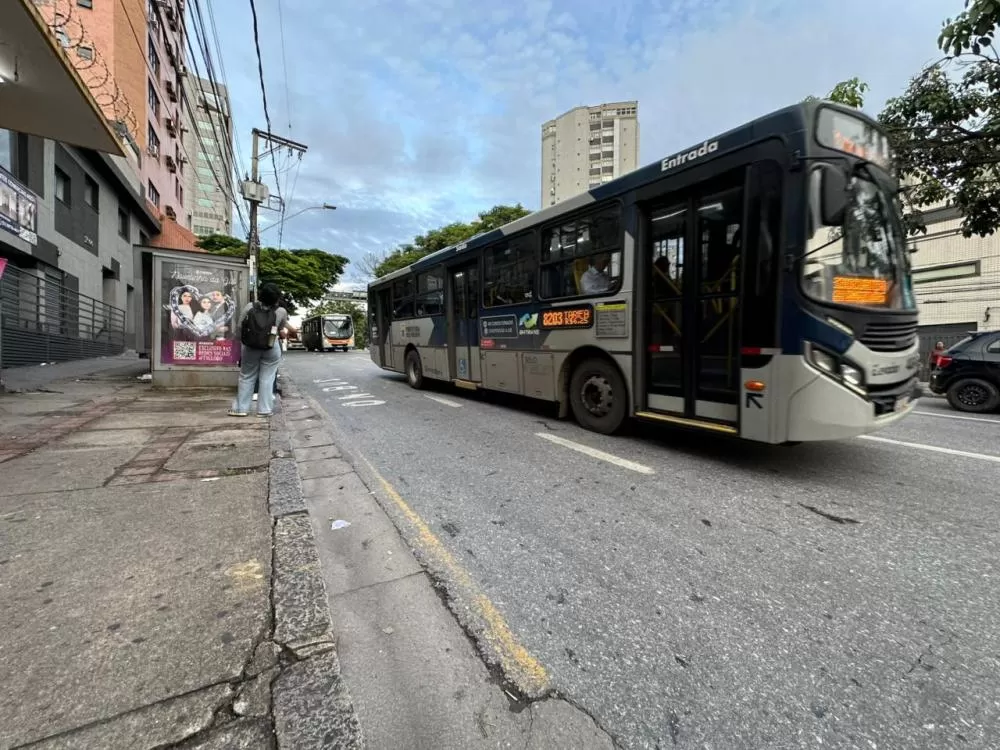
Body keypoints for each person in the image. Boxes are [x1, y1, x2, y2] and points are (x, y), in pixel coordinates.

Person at [229, 283, 296, 417]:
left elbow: (239, 327)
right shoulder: (281, 311)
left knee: (246, 376)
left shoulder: (250, 307)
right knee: (268, 378)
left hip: (250, 347)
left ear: (260, 295)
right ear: (276, 298)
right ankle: (264, 410)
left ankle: (241, 409)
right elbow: (281, 328)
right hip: (271, 346)